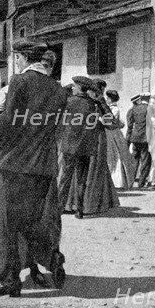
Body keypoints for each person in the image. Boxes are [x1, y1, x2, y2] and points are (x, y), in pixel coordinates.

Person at [0, 40, 67, 296]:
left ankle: (10, 281)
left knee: (5, 224)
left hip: (13, 164)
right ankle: (50, 260)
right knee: (32, 222)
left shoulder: (20, 82)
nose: (16, 62)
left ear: (23, 57)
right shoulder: (59, 89)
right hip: (42, 166)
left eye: (16, 57)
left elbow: (9, 122)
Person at [57, 76, 101, 220]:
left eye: (75, 86)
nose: (73, 88)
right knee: (82, 180)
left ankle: (58, 208)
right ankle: (80, 211)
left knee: (65, 178)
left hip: (69, 146)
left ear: (80, 88)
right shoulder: (92, 104)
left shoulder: (69, 102)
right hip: (85, 147)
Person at [105, 90, 136, 189]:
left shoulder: (114, 109)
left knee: (116, 155)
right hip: (111, 132)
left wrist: (119, 124)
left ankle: (117, 182)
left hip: (113, 133)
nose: (106, 99)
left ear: (110, 99)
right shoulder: (110, 108)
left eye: (108, 98)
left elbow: (112, 121)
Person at [126, 93, 152, 189]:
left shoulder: (133, 109)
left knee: (135, 159)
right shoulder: (149, 108)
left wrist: (128, 138)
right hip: (146, 138)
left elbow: (130, 125)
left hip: (135, 137)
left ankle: (130, 183)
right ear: (148, 99)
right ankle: (141, 183)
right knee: (145, 161)